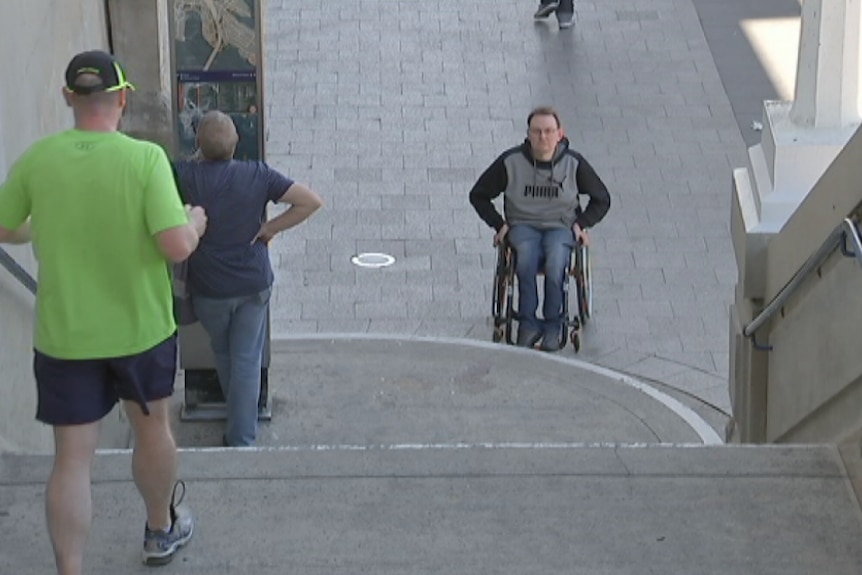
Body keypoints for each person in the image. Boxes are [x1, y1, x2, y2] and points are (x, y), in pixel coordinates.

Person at [0, 50, 207, 573]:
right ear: (121, 98)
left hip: (65, 337)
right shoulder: (143, 160)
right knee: (152, 430)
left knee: (71, 459)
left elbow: (5, 227)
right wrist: (194, 221)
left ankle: (70, 567)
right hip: (140, 332)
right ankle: (160, 529)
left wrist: (38, 225)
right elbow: (175, 246)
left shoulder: (37, 159)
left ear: (69, 99)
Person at [174, 110, 323, 447]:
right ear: (237, 141)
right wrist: (270, 228)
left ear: (198, 144)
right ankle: (242, 436)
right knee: (246, 357)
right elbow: (310, 202)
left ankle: (237, 417)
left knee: (224, 352)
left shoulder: (185, 175)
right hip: (252, 284)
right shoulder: (258, 174)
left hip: (209, 286)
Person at [469, 106, 610, 351]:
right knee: (525, 259)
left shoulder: (573, 164)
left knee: (557, 262)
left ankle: (553, 326)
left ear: (559, 134)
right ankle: (528, 324)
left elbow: (602, 198)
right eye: (536, 132)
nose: (542, 137)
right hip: (523, 225)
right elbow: (478, 195)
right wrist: (499, 224)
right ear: (528, 134)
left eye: (548, 131)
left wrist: (581, 224)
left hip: (560, 226)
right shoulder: (510, 161)